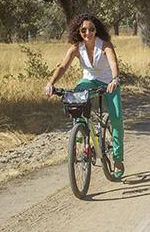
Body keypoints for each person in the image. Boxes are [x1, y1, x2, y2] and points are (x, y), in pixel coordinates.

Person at [44, 13, 125, 179]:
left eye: (91, 29)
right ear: (78, 32)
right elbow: (62, 67)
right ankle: (80, 133)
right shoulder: (76, 48)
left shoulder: (105, 45)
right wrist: (50, 83)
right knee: (77, 101)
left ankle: (117, 158)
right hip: (88, 81)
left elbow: (113, 64)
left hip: (108, 82)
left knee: (116, 118)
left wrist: (115, 79)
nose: (88, 33)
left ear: (96, 30)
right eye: (83, 30)